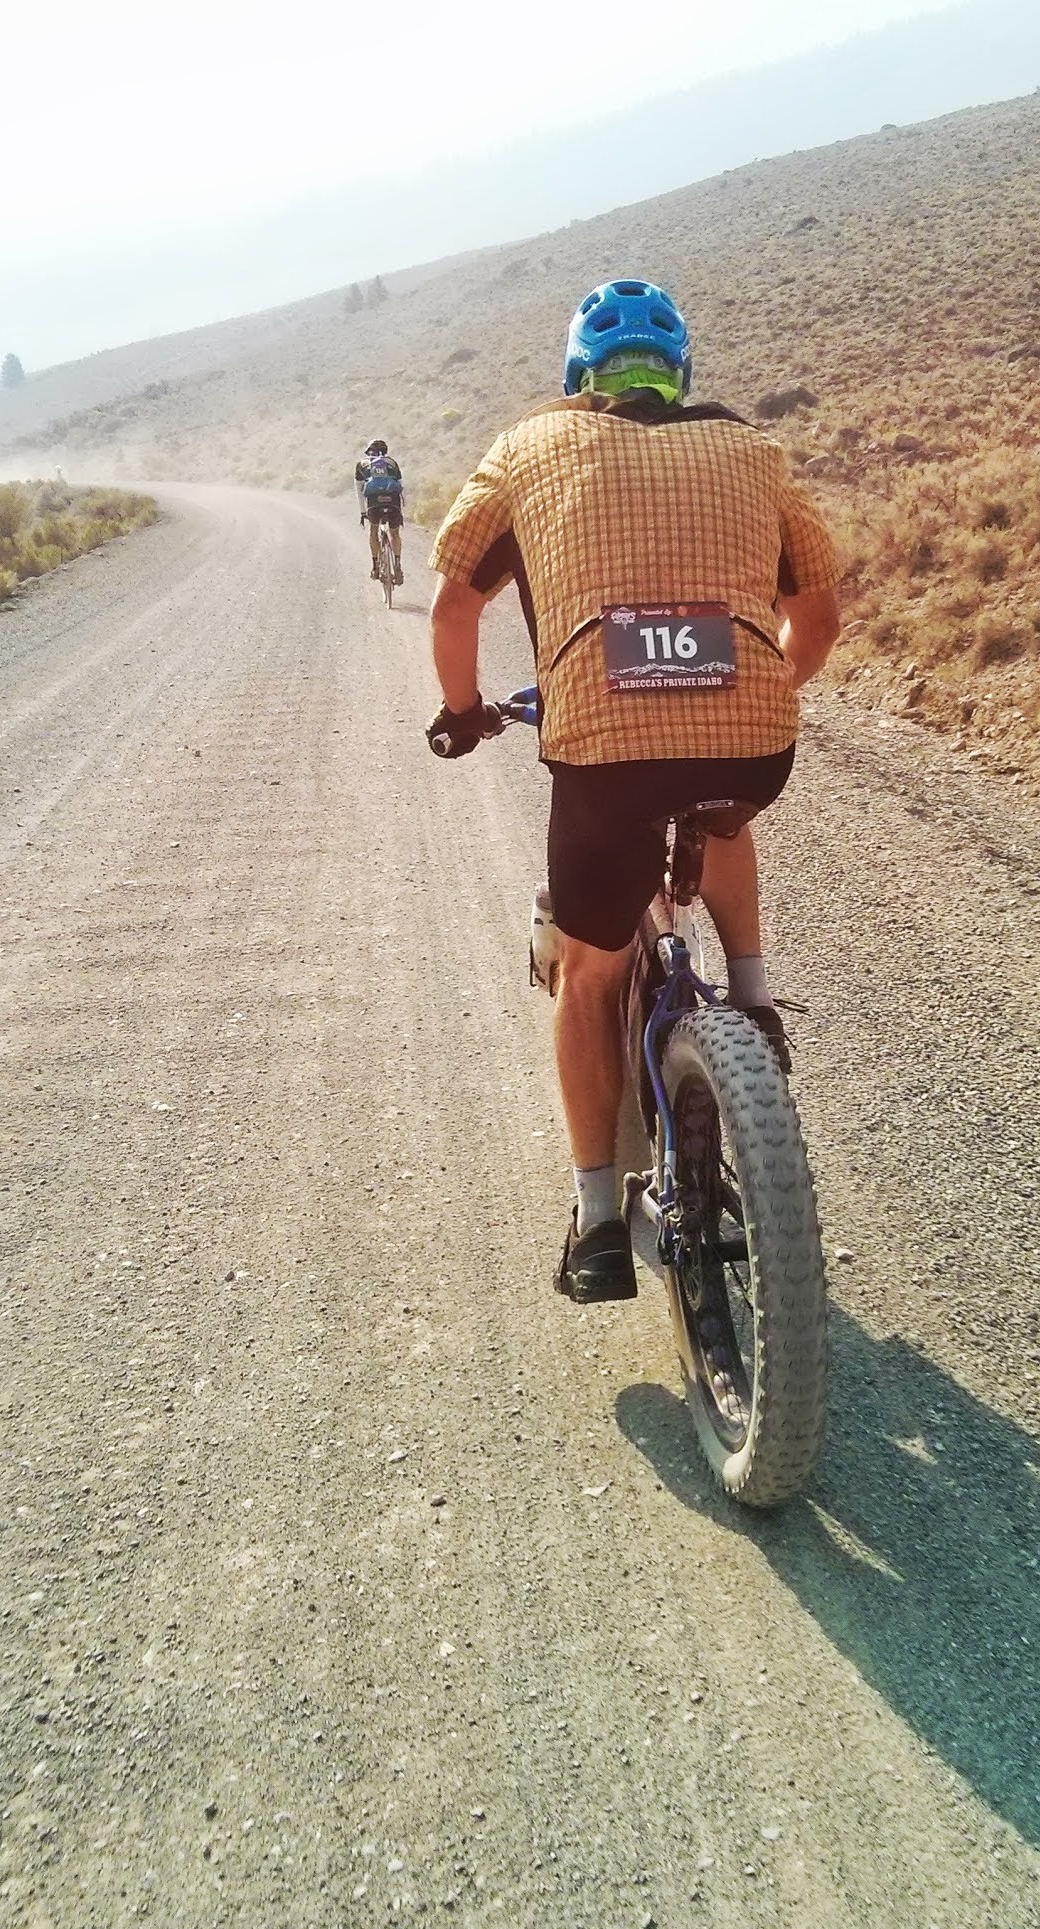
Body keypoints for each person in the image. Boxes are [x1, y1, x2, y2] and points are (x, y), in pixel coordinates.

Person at [426, 279, 841, 1304]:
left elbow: (451, 598)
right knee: (722, 807)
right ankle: (752, 995)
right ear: (682, 372)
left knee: (593, 972)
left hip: (605, 759)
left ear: (579, 377)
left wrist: (464, 707)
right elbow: (820, 616)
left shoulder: (528, 446)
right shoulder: (755, 451)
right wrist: (755, 689)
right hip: (752, 743)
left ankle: (601, 1221)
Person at [355, 437, 404, 583]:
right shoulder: (392, 463)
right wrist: (402, 508)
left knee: (373, 531)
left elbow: (359, 491)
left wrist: (363, 512)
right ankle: (397, 565)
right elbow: (401, 486)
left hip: (374, 503)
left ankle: (375, 566)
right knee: (394, 533)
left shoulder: (362, 464)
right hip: (393, 502)